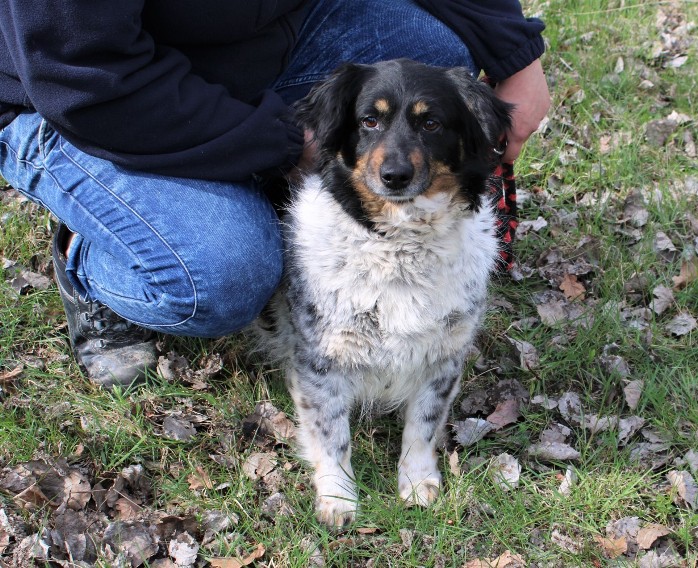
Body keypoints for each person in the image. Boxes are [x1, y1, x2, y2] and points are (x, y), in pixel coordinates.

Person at [0, 0, 550, 386]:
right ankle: (94, 247)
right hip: (82, 97)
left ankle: (238, 176)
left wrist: (516, 54)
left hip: (259, 40)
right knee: (225, 271)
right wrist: (285, 144)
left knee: (428, 54)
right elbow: (81, 74)